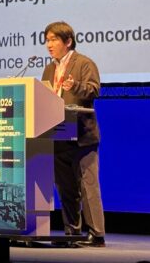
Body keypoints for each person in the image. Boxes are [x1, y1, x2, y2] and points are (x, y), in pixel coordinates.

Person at [40, 21, 105, 248]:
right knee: (65, 188)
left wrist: (75, 86)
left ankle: (96, 234)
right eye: (47, 40)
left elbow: (94, 89)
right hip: (57, 135)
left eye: (53, 40)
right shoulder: (49, 69)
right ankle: (72, 232)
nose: (49, 45)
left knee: (88, 187)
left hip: (81, 135)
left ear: (68, 41)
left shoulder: (84, 63)